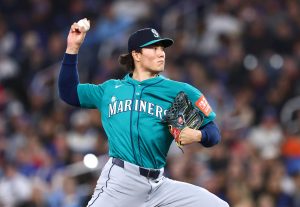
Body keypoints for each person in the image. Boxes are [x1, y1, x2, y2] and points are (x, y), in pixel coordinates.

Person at [58, 20, 229, 207]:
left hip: (159, 185)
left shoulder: (177, 91)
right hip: (120, 182)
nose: (161, 53)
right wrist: (72, 48)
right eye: (154, 48)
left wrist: (198, 134)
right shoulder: (111, 89)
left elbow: (213, 134)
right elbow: (68, 92)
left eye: (162, 48)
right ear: (136, 55)